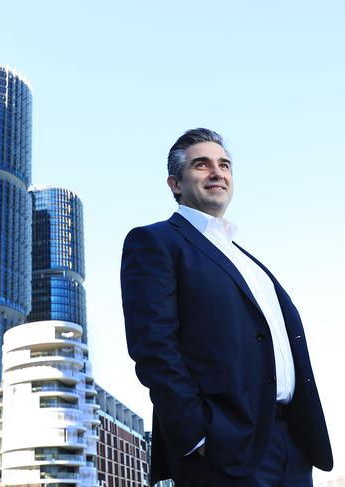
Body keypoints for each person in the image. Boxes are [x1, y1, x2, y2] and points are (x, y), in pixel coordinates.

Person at [120, 128, 333, 486]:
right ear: (175, 184)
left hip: (291, 448)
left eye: (225, 165)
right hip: (225, 449)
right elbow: (154, 347)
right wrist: (199, 437)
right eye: (201, 165)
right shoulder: (155, 242)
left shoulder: (245, 259)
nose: (217, 172)